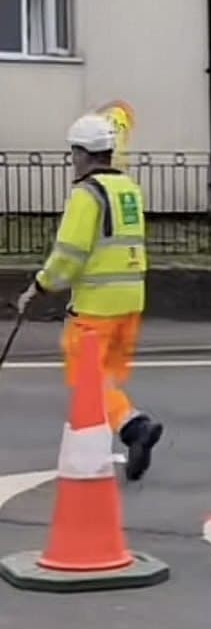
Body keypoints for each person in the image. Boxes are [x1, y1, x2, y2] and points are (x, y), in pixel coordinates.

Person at [17, 113, 163, 482]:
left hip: (96, 306)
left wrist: (39, 287)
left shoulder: (87, 194)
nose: (73, 160)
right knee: (103, 379)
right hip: (131, 302)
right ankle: (124, 436)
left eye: (74, 152)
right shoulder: (128, 189)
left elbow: (69, 253)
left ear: (83, 153)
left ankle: (133, 428)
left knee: (89, 381)